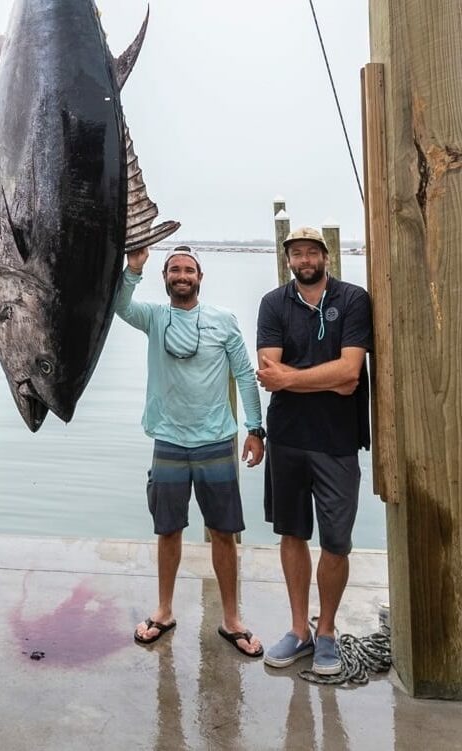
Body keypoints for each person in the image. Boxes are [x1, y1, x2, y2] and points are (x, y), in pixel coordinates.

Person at [116, 245, 266, 656]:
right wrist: (133, 268)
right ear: (165, 277)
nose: (182, 275)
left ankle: (231, 618)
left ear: (200, 278)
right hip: (167, 440)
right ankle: (163, 611)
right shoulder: (154, 317)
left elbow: (246, 376)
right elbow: (119, 306)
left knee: (224, 532)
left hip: (215, 440)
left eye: (189, 270)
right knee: (167, 530)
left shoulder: (223, 321)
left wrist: (256, 429)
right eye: (175, 269)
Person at [256, 226, 372, 676]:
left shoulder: (354, 299)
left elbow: (350, 374)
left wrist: (292, 378)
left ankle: (326, 631)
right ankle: (298, 629)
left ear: (326, 256)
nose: (304, 259)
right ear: (289, 259)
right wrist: (316, 378)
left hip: (338, 441)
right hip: (286, 438)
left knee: (337, 541)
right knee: (292, 534)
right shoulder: (273, 303)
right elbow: (270, 371)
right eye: (296, 253)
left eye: (311, 252)